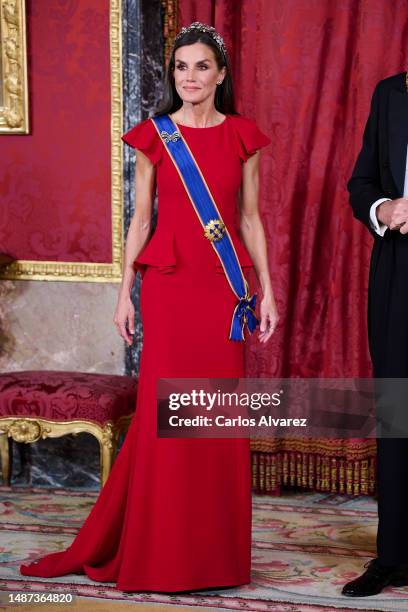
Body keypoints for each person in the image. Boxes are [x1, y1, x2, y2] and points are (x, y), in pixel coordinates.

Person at [19, 22, 278, 592]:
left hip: (223, 290)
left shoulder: (242, 136)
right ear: (173, 76)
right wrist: (122, 293)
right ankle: (161, 553)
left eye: (201, 67)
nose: (190, 77)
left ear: (221, 74)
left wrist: (268, 291)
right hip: (169, 284)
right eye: (181, 67)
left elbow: (252, 219)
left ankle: (215, 557)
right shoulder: (156, 137)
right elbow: (140, 220)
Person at [343, 71, 408, 597]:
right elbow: (361, 182)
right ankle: (393, 556)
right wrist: (383, 209)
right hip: (398, 267)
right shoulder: (391, 93)